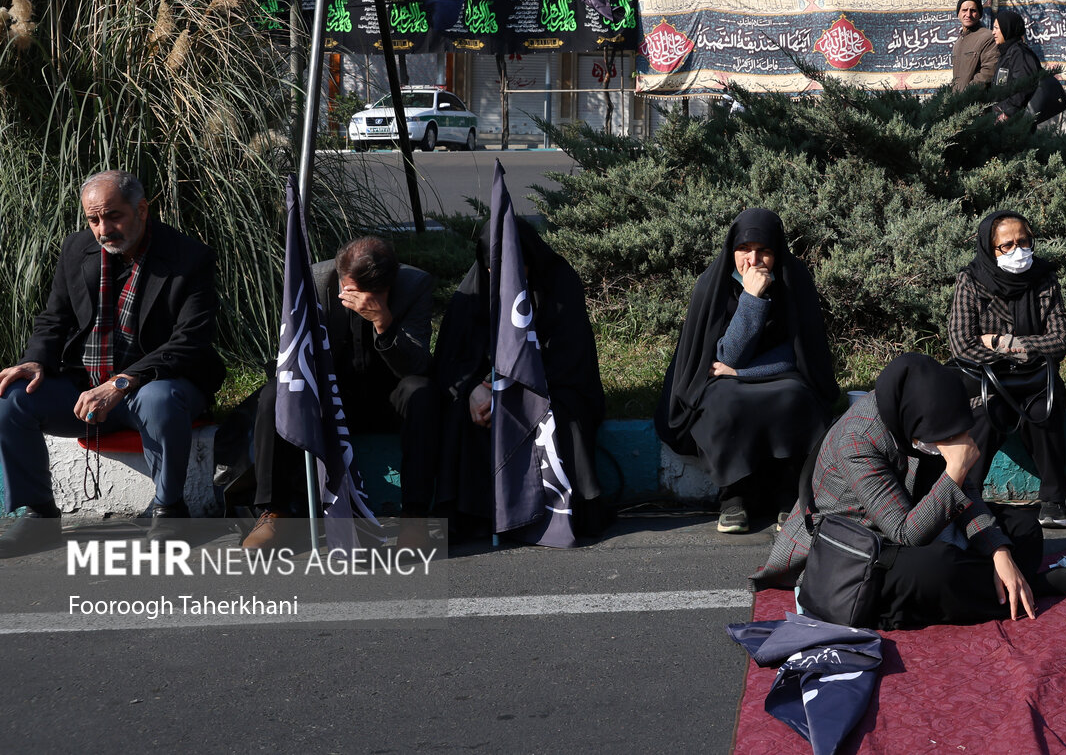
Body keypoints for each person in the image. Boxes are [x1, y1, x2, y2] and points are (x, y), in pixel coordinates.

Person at [755, 354, 1066, 630]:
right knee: (936, 569)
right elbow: (907, 533)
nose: (941, 446)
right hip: (858, 544)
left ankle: (988, 580)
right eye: (939, 439)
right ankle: (1030, 587)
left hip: (913, 513)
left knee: (1024, 530)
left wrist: (998, 551)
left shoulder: (916, 412)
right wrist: (956, 469)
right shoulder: (858, 441)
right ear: (913, 422)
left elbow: (965, 494)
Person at [0, 170, 225, 556]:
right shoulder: (77, 250)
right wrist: (35, 360)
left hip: (155, 383)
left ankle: (170, 510)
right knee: (12, 398)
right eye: (93, 219)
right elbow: (55, 318)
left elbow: (190, 340)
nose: (104, 229)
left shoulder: (189, 257)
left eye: (114, 216)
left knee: (160, 399)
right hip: (85, 383)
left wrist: (123, 381)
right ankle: (38, 515)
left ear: (141, 209)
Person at [243, 236, 436, 550]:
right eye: (351, 290)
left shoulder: (414, 285)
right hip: (333, 394)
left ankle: (415, 518)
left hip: (388, 393)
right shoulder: (317, 281)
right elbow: (294, 353)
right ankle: (274, 511)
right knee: (273, 395)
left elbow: (416, 365)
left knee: (422, 392)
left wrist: (382, 321)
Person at [655, 209, 839, 533]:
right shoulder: (713, 287)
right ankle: (733, 498)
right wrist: (752, 299)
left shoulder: (793, 281)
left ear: (777, 251)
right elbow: (728, 356)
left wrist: (745, 374)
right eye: (745, 250)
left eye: (764, 251)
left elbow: (800, 355)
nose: (753, 260)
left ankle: (789, 495)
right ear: (733, 251)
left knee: (795, 397)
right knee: (724, 402)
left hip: (780, 377)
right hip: (722, 381)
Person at [432, 219, 610, 538]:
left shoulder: (559, 283)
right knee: (461, 412)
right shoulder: (473, 294)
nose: (500, 278)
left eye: (513, 268)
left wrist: (515, 390)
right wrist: (473, 389)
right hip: (488, 392)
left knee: (565, 413)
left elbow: (571, 358)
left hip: (550, 386)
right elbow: (451, 360)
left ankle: (560, 512)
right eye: (491, 271)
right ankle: (478, 517)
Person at [948, 211, 1066, 528]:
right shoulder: (972, 280)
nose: (1019, 250)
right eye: (1008, 245)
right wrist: (1028, 349)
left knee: (1048, 408)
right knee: (985, 417)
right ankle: (963, 502)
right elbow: (962, 344)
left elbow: (1058, 342)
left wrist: (1003, 343)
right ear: (991, 249)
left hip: (1034, 381)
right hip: (988, 380)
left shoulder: (1043, 278)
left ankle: (1054, 500)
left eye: (1024, 241)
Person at [991, 8, 1042, 121]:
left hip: (1013, 121)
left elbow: (1024, 86)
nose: (993, 32)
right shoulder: (1006, 53)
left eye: (996, 28)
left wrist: (1007, 113)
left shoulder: (1019, 53)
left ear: (1007, 28)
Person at [951, 0, 998, 92]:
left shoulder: (988, 37)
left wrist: (967, 93)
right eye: (964, 10)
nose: (968, 15)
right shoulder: (958, 43)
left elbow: (989, 71)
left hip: (976, 102)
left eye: (973, 11)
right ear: (958, 14)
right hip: (959, 103)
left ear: (979, 14)